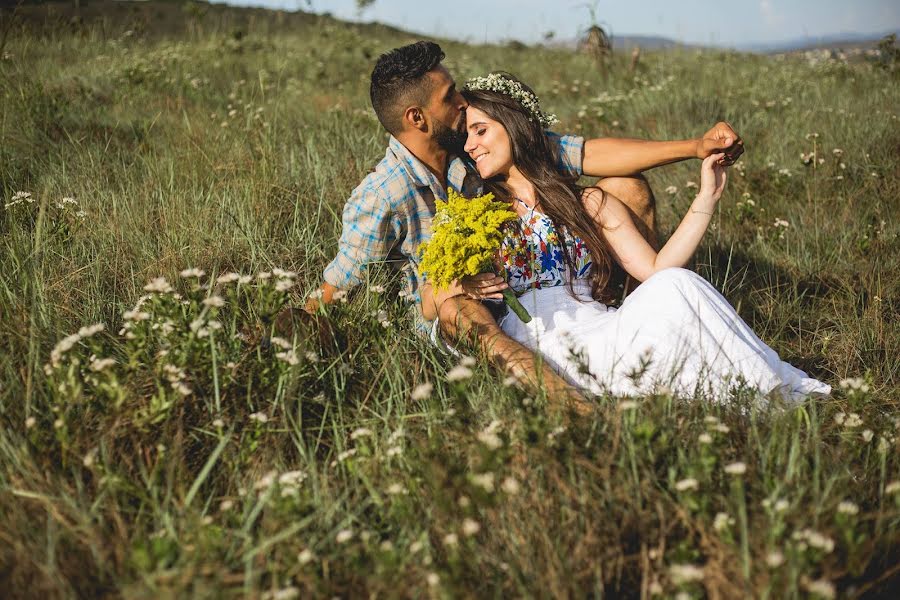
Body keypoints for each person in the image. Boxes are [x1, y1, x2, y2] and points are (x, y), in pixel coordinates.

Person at [306, 41, 745, 410]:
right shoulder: (382, 196)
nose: (462, 104)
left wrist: (694, 147)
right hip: (456, 304)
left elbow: (586, 153)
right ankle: (555, 392)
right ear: (417, 118)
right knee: (457, 304)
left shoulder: (469, 142)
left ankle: (628, 317)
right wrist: (298, 336)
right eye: (450, 97)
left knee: (627, 187)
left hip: (526, 275)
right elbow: (339, 283)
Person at [420, 73, 830, 402]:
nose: (470, 146)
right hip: (535, 344)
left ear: (514, 127)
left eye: (480, 131)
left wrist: (708, 195)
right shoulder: (474, 213)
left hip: (599, 326)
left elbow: (656, 269)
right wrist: (466, 283)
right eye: (466, 136)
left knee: (676, 283)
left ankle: (766, 388)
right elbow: (429, 301)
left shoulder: (586, 201)